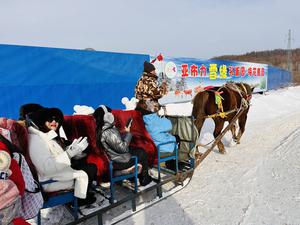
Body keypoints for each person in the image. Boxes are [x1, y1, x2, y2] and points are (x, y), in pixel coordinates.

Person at [27, 107, 97, 206]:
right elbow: (47, 167)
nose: (54, 122)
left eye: (57, 119)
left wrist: (71, 151)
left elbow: (54, 154)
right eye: (50, 119)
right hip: (50, 180)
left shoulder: (43, 136)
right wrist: (69, 154)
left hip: (56, 174)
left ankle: (81, 195)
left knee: (83, 164)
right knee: (90, 168)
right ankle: (78, 201)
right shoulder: (36, 140)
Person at [93, 105, 152, 186]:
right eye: (110, 114)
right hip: (121, 162)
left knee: (136, 150)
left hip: (117, 158)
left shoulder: (103, 129)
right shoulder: (109, 131)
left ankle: (130, 175)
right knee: (142, 152)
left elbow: (117, 143)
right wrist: (128, 133)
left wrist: (125, 132)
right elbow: (123, 148)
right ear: (107, 117)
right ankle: (144, 179)